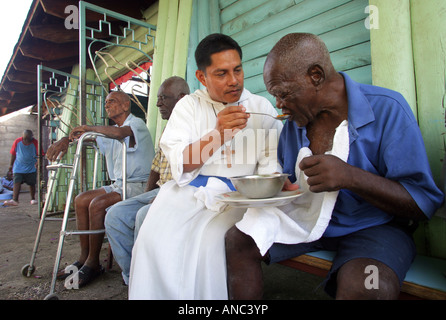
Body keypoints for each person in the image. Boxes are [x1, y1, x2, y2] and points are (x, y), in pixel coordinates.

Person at [224, 33, 444, 300]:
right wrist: (278, 186)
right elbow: (291, 183)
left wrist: (350, 177)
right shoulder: (294, 125)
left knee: (367, 286)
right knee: (238, 239)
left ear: (315, 75)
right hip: (310, 220)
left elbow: (422, 203)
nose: (279, 106)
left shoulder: (387, 109)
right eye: (275, 97)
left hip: (376, 229)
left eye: (283, 94)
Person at [129, 33, 283, 299]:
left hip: (240, 198)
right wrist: (218, 134)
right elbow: (179, 161)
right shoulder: (188, 107)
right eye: (221, 73)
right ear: (202, 77)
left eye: (238, 70)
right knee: (152, 240)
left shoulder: (261, 107)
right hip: (188, 193)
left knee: (209, 245)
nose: (234, 81)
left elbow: (271, 166)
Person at [46, 90, 155, 287]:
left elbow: (121, 134)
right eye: (106, 102)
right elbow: (86, 138)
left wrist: (88, 127)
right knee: (81, 199)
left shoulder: (135, 123)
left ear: (125, 105)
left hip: (139, 185)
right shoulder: (109, 130)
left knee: (97, 204)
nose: (107, 105)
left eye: (112, 101)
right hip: (119, 185)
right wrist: (66, 140)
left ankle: (93, 263)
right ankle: (83, 257)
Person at [104, 76, 190, 285]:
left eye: (163, 98)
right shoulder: (168, 128)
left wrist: (162, 198)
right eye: (158, 98)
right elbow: (156, 167)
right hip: (159, 191)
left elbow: (193, 174)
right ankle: (133, 277)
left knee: (144, 215)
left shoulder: (196, 126)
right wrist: (146, 195)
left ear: (182, 98)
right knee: (115, 215)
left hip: (182, 192)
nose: (158, 103)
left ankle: (148, 278)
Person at [3, 130, 42, 206]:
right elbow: (13, 154)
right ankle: (15, 200)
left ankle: (33, 198)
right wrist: (11, 165)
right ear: (23, 138)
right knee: (16, 182)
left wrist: (38, 162)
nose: (27, 141)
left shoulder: (35, 143)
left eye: (28, 139)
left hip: (30, 166)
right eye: (25, 139)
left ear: (32, 137)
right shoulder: (17, 141)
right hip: (18, 167)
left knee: (32, 183)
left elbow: (40, 154)